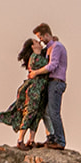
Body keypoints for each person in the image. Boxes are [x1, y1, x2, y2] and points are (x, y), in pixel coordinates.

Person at [0, 37, 49, 148]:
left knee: (37, 114)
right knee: (30, 112)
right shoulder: (35, 58)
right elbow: (49, 65)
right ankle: (20, 140)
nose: (39, 43)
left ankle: (31, 140)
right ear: (33, 47)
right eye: (37, 42)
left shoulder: (38, 57)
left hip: (41, 89)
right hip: (35, 90)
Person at [33, 22, 68, 150]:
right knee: (47, 112)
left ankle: (60, 141)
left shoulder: (56, 47)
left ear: (46, 35)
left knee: (54, 113)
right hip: (52, 82)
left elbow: (52, 65)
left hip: (56, 81)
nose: (40, 40)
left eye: (40, 37)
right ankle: (52, 137)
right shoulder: (50, 47)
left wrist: (36, 72)